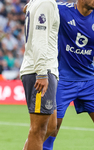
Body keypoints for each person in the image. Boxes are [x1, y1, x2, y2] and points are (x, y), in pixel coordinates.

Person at [43, 0, 94, 149]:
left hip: (88, 80)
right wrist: (31, 8)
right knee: (52, 128)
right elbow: (38, 7)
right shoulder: (61, 10)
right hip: (62, 79)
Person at [20, 0, 60, 150]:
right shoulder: (46, 2)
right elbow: (40, 39)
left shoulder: (41, 2)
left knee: (51, 127)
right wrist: (42, 73)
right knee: (38, 130)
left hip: (46, 69)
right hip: (41, 70)